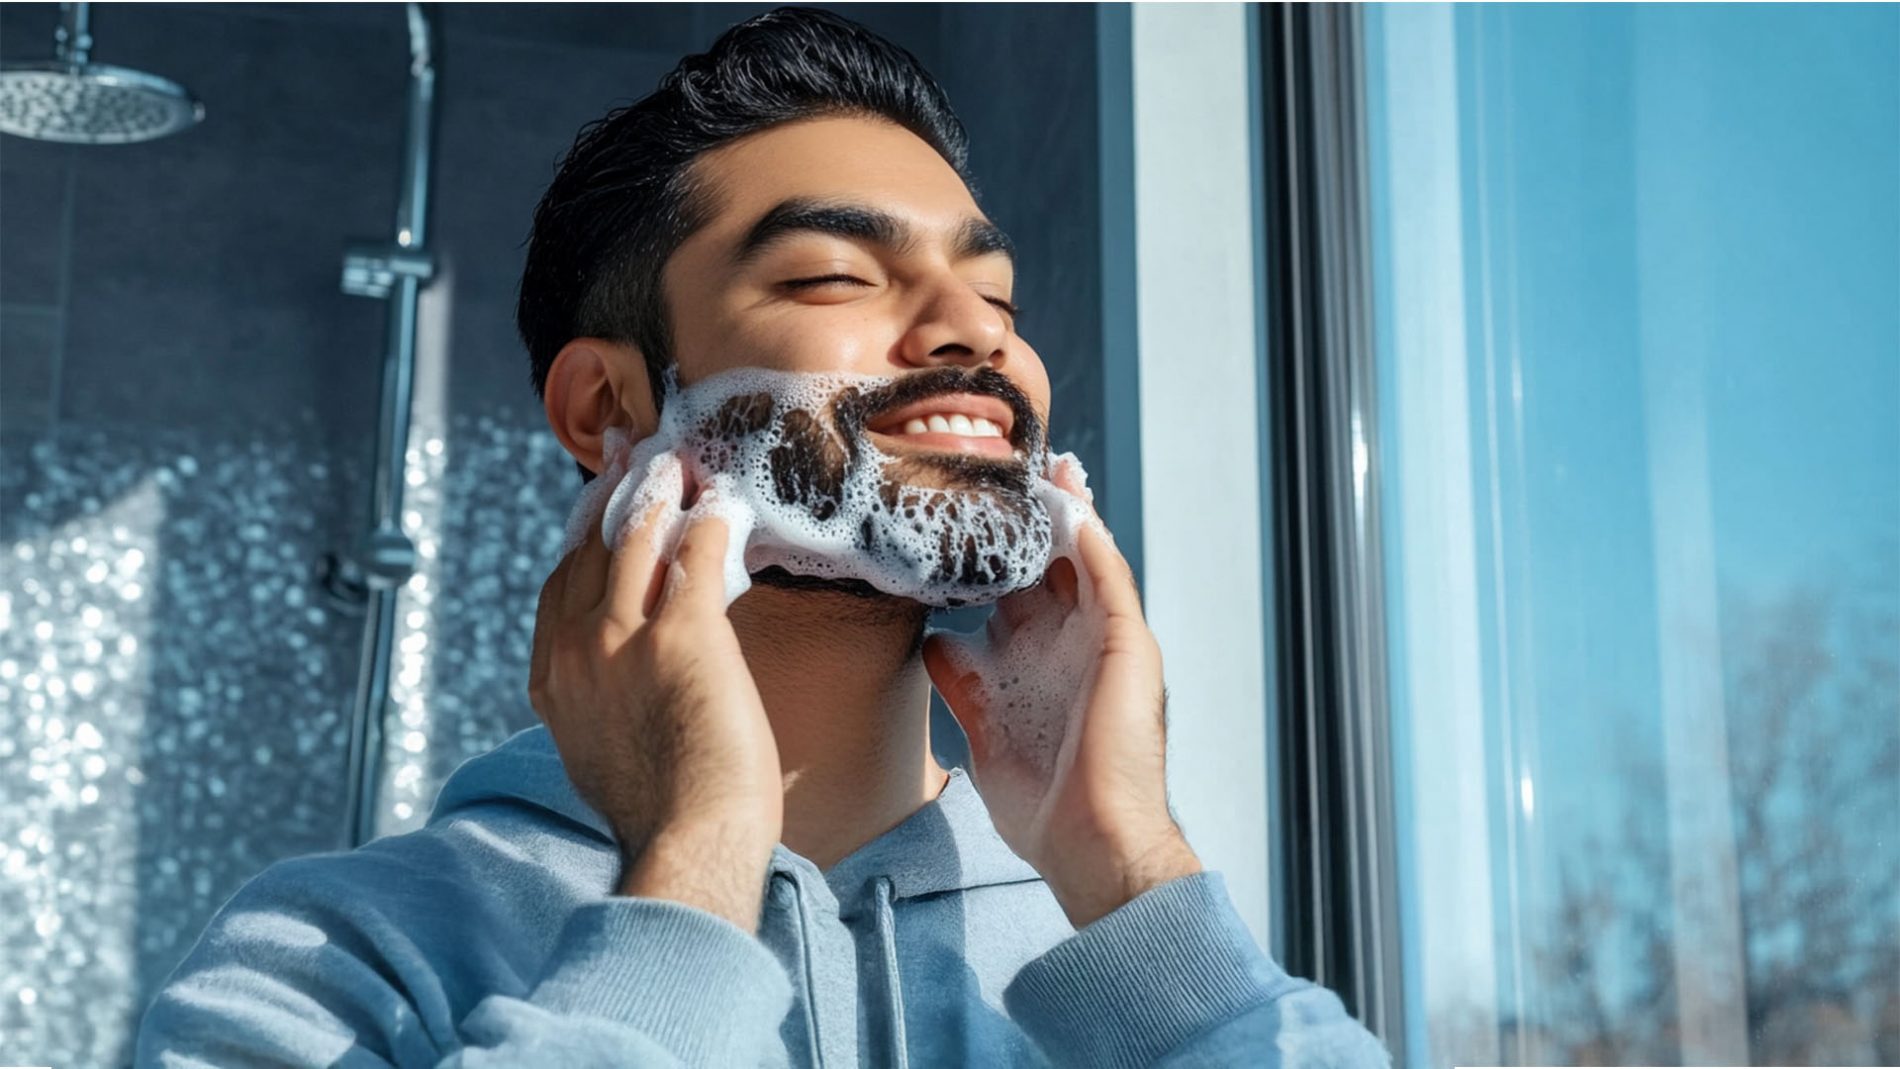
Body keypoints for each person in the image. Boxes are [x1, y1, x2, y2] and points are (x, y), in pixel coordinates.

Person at [135, 8, 1391, 1067]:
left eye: (998, 296)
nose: (976, 334)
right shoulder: (339, 962)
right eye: (836, 276)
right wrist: (691, 869)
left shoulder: (1154, 977)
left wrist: (1128, 869)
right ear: (609, 406)